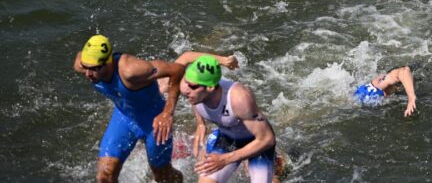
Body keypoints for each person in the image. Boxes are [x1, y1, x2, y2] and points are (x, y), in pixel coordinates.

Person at [73, 35, 185, 183]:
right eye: (85, 67)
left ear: (109, 62)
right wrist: (88, 65)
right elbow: (80, 58)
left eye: (94, 69)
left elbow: (177, 70)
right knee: (104, 177)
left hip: (153, 121)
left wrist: (167, 113)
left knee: (163, 177)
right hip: (124, 118)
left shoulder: (132, 71)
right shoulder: (84, 64)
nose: (88, 74)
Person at [180, 55, 279, 183]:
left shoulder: (239, 99)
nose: (186, 90)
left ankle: (274, 172)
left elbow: (268, 139)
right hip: (227, 139)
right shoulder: (193, 90)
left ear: (210, 87)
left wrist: (226, 159)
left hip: (256, 143)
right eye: (186, 82)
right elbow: (195, 96)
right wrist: (200, 124)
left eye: (192, 86)